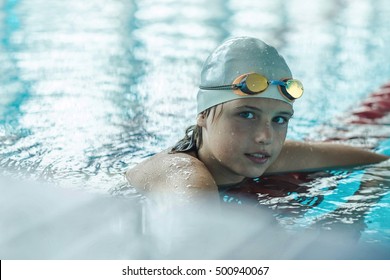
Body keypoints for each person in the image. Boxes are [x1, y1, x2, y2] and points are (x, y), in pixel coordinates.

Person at [126, 36, 389, 204]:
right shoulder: (182, 173)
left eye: (280, 119)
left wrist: (362, 200)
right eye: (247, 114)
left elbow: (382, 164)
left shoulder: (262, 153)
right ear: (203, 115)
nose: (265, 136)